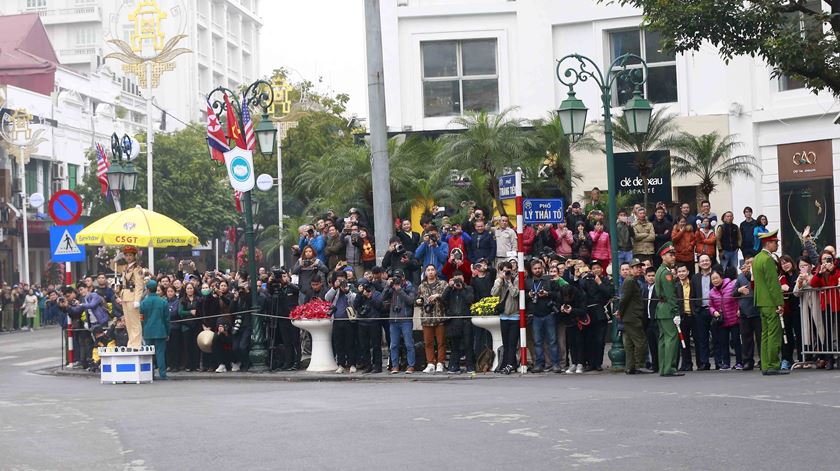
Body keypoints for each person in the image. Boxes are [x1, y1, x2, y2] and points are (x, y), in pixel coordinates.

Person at [753, 230, 785, 375]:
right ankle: (773, 364)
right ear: (768, 243)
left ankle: (766, 365)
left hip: (761, 301)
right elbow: (773, 284)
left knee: (765, 334)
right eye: (775, 242)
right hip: (771, 302)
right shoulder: (767, 259)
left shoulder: (757, 258)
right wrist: (780, 303)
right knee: (774, 334)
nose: (777, 244)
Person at [525, 260, 561, 373]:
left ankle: (556, 364)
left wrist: (547, 294)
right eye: (535, 269)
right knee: (538, 342)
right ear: (531, 270)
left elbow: (558, 294)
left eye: (539, 268)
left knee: (553, 341)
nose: (537, 270)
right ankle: (539, 364)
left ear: (542, 268)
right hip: (535, 315)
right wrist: (528, 295)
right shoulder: (528, 282)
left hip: (549, 314)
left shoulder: (549, 280)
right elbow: (522, 298)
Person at [655, 242, 684, 377]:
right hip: (668, 309)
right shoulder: (666, 273)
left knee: (663, 340)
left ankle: (663, 367)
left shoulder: (660, 270)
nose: (673, 257)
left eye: (673, 255)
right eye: (670, 255)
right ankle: (669, 368)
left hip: (661, 309)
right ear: (663, 256)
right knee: (671, 338)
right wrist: (676, 312)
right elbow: (671, 295)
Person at [579, 261, 613, 371]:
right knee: (589, 339)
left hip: (600, 312)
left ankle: (598, 363)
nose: (596, 270)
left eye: (598, 268)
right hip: (589, 313)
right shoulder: (587, 280)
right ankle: (590, 363)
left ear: (601, 269)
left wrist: (600, 283)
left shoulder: (605, 280)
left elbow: (609, 293)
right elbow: (581, 288)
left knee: (599, 340)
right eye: (594, 268)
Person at [617, 259, 649, 374]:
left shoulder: (632, 280)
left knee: (630, 343)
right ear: (630, 269)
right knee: (640, 341)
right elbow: (624, 299)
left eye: (640, 267)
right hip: (632, 316)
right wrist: (620, 312)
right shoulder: (630, 281)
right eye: (636, 267)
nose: (639, 269)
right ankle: (639, 365)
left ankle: (630, 367)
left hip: (630, 316)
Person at [382, 269, 417, 374]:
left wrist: (399, 289)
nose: (397, 280)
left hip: (405, 319)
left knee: (409, 344)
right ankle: (395, 366)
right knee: (393, 345)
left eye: (399, 277)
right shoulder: (391, 287)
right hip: (393, 320)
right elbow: (382, 298)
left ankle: (411, 366)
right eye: (395, 277)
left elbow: (410, 301)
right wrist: (388, 286)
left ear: (403, 278)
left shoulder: (409, 287)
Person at [441, 270, 475, 373]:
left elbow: (470, 300)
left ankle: (470, 366)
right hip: (454, 321)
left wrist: (462, 289)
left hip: (465, 320)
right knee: (455, 345)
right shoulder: (451, 290)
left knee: (468, 344)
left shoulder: (468, 288)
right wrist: (449, 287)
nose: (458, 281)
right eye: (456, 279)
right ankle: (454, 366)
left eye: (460, 278)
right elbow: (443, 299)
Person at [709, 267, 742, 370]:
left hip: (734, 319)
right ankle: (726, 363)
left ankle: (739, 362)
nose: (715, 280)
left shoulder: (731, 285)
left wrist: (739, 310)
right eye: (713, 279)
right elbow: (710, 305)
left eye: (717, 278)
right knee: (723, 342)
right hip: (721, 321)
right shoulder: (711, 292)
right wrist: (714, 312)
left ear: (722, 277)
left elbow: (738, 299)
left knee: (736, 341)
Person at [417, 265, 447, 373]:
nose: (430, 272)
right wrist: (419, 301)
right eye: (428, 270)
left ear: (435, 272)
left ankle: (440, 362)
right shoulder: (421, 286)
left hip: (439, 316)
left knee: (441, 342)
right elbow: (418, 299)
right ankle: (430, 363)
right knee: (428, 342)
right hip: (427, 317)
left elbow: (447, 297)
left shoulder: (443, 284)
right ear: (425, 273)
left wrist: (438, 295)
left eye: (432, 270)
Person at [326, 272, 357, 373]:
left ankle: (352, 364)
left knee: (350, 343)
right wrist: (335, 288)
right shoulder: (334, 290)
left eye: (343, 279)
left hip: (348, 320)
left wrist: (347, 291)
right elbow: (327, 298)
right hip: (337, 320)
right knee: (339, 344)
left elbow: (355, 299)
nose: (341, 281)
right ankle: (341, 364)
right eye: (339, 279)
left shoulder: (350, 287)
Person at [492, 261, 520, 374]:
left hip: (515, 315)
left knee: (513, 342)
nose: (506, 273)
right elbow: (493, 293)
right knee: (506, 342)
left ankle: (509, 364)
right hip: (504, 316)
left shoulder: (516, 280)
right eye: (504, 271)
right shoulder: (499, 280)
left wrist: (509, 282)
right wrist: (499, 281)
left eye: (508, 270)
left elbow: (515, 294)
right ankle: (508, 363)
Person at [140, 280, 170, 380]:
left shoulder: (143, 303)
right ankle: (162, 374)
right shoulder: (163, 302)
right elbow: (167, 319)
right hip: (161, 331)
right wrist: (167, 332)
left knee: (149, 354)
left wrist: (143, 330)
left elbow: (141, 318)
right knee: (160, 353)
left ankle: (149, 374)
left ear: (147, 290)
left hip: (148, 331)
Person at [733, 258, 760, 370]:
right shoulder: (739, 277)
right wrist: (739, 290)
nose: (748, 265)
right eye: (747, 263)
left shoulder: (758, 274)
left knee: (760, 338)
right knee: (746, 338)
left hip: (757, 310)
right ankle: (747, 361)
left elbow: (754, 282)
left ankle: (763, 360)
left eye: (751, 263)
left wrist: (750, 273)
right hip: (744, 311)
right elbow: (733, 293)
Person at [690, 254, 716, 370]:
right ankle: (704, 362)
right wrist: (695, 310)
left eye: (707, 260)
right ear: (699, 263)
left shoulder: (715, 275)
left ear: (710, 262)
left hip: (714, 311)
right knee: (702, 338)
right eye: (702, 261)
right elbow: (692, 296)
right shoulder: (695, 278)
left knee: (717, 337)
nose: (705, 262)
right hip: (700, 311)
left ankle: (719, 362)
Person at [354, 281, 384, 373]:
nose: (367, 289)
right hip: (362, 323)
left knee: (376, 345)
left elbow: (379, 305)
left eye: (368, 287)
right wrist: (360, 294)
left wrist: (370, 297)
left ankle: (377, 366)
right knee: (364, 346)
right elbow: (356, 305)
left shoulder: (377, 294)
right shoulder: (360, 295)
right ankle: (368, 365)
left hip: (374, 322)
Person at [778, 255, 802, 370]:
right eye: (782, 263)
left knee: (799, 333)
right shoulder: (782, 277)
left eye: (786, 262)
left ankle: (802, 358)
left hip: (798, 307)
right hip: (786, 309)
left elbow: (793, 289)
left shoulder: (798, 274)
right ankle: (787, 358)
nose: (785, 265)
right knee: (787, 336)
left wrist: (789, 288)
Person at [120, 246, 146, 349]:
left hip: (132, 296)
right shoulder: (126, 268)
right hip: (125, 296)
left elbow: (139, 285)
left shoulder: (137, 269)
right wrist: (115, 259)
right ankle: (131, 342)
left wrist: (137, 300)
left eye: (130, 255)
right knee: (128, 322)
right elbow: (113, 267)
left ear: (134, 256)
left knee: (135, 321)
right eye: (126, 255)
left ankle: (136, 344)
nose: (128, 257)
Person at [674, 264, 696, 371]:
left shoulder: (693, 283)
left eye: (683, 271)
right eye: (679, 272)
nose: (681, 273)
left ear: (688, 272)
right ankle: (686, 364)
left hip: (694, 315)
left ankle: (701, 363)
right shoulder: (675, 285)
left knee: (698, 339)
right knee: (684, 342)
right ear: (677, 274)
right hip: (682, 317)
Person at [179, 282, 201, 372]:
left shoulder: (198, 299)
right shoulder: (182, 300)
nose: (189, 290)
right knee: (187, 346)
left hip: (196, 325)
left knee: (196, 346)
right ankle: (188, 365)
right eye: (188, 288)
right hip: (186, 326)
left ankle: (196, 365)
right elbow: (180, 312)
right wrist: (190, 312)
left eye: (191, 288)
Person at [642, 266, 659, 371]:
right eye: (649, 276)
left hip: (656, 319)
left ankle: (660, 364)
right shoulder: (644, 288)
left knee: (658, 343)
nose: (651, 278)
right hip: (647, 320)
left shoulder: (658, 288)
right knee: (651, 344)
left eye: (653, 276)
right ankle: (655, 365)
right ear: (645, 277)